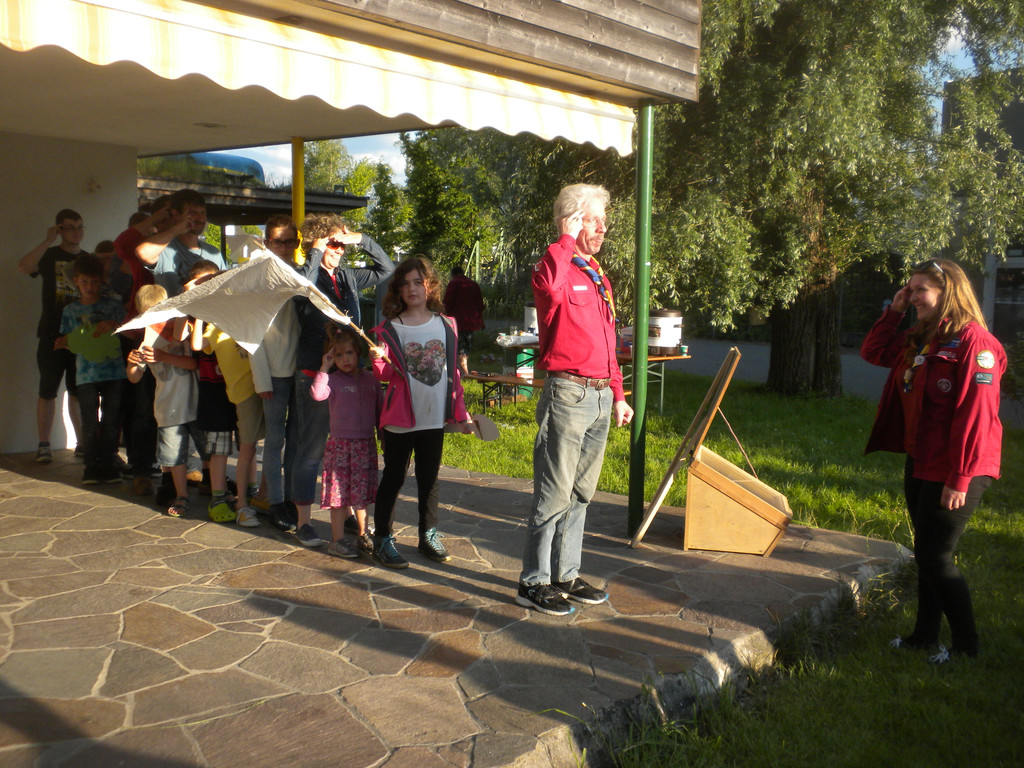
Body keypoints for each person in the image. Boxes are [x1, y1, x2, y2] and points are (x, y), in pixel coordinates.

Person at [861, 258, 1005, 664]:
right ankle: (924, 637)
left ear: (947, 292)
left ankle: (966, 648)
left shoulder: (976, 343)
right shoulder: (925, 338)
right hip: (922, 459)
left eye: (920, 289)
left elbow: (976, 416)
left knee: (935, 557)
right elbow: (874, 352)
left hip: (960, 467)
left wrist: (960, 478)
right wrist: (894, 311)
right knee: (925, 551)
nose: (912, 296)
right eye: (910, 289)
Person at [516, 183, 634, 617]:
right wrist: (565, 238)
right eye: (593, 220)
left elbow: (608, 342)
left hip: (600, 396)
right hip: (568, 394)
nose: (602, 228)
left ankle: (565, 574)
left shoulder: (596, 275)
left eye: (603, 221)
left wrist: (618, 394)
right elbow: (548, 288)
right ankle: (533, 581)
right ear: (571, 220)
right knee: (554, 492)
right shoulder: (555, 265)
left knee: (581, 493)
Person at [280, 214, 394, 545]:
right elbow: (302, 287)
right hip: (316, 375)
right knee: (312, 450)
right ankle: (303, 522)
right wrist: (316, 251)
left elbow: (386, 269)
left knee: (348, 449)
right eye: (334, 243)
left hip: (352, 374)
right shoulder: (303, 274)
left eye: (343, 244)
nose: (340, 250)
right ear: (316, 243)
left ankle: (345, 516)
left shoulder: (347, 276)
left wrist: (361, 240)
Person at [369, 256, 474, 569]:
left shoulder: (447, 324)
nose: (412, 289)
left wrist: (462, 414)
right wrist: (378, 358)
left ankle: (428, 534)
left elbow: (453, 374)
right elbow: (385, 375)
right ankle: (383, 538)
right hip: (401, 420)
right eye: (405, 284)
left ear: (430, 285)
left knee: (430, 479)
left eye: (418, 282)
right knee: (393, 478)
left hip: (433, 417)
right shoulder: (391, 328)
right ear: (398, 291)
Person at [17, 208, 87, 462]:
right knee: (48, 390)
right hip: (51, 334)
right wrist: (48, 240)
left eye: (80, 227)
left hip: (81, 336)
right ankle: (44, 444)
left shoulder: (87, 259)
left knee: (79, 392)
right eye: (70, 227)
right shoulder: (50, 255)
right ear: (59, 229)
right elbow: (24, 266)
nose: (76, 232)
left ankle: (82, 443)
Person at [126, 285, 201, 518]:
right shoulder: (147, 341)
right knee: (173, 455)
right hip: (167, 407)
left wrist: (163, 356)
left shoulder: (182, 330)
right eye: (149, 316)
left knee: (205, 449)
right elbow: (134, 377)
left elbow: (193, 364)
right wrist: (132, 363)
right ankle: (181, 494)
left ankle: (214, 489)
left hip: (193, 402)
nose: (156, 322)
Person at [311, 325, 382, 558]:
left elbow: (380, 412)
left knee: (361, 496)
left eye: (349, 353)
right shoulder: (332, 381)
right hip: (340, 446)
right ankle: (337, 540)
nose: (345, 359)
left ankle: (363, 534)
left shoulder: (371, 380)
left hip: (364, 445)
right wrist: (324, 368)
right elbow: (317, 394)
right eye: (339, 355)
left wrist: (384, 438)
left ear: (358, 352)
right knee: (338, 496)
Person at [55, 254, 126, 484]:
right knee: (89, 422)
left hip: (114, 371)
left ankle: (108, 464)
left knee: (111, 421)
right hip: (86, 374)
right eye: (85, 281)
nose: (90, 286)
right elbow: (70, 340)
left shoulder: (113, 305)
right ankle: (91, 467)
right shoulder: (70, 310)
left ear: (101, 281)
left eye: (94, 281)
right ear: (76, 281)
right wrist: (63, 343)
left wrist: (115, 325)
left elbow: (127, 330)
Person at [250, 214, 301, 521]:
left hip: (301, 369)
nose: (283, 247)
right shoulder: (259, 277)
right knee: (274, 440)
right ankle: (275, 501)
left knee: (296, 439)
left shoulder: (301, 273)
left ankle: (292, 499)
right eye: (277, 241)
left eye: (289, 241)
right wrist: (261, 377)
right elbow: (250, 331)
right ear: (266, 242)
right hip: (273, 371)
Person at [135, 189, 227, 296]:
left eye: (203, 213)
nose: (201, 219)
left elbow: (226, 288)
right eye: (193, 213)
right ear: (176, 214)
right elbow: (142, 252)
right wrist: (178, 228)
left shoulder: (214, 252)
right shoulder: (165, 249)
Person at [443, 265, 485, 376]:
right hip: (471, 322)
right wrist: (481, 321)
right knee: (466, 347)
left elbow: (447, 303)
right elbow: (480, 305)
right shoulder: (473, 284)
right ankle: (464, 370)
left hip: (457, 322)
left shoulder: (453, 284)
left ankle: (464, 373)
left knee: (459, 347)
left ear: (453, 275)